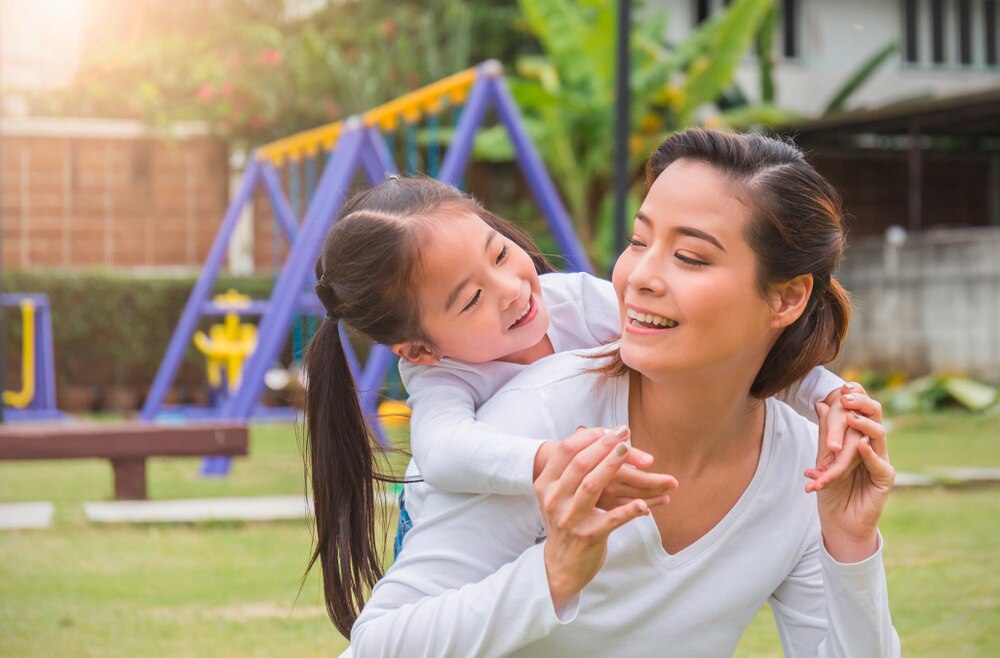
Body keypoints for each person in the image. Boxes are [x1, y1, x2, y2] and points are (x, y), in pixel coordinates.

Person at [349, 130, 900, 657]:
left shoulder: (805, 469)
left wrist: (850, 544)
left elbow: (777, 367)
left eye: (689, 256)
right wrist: (553, 573)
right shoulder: (536, 417)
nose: (639, 276)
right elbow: (374, 646)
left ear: (787, 299)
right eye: (638, 241)